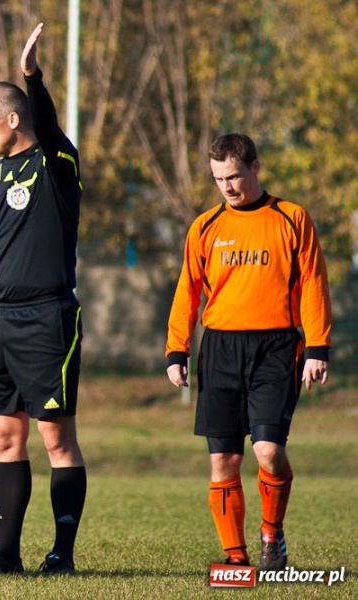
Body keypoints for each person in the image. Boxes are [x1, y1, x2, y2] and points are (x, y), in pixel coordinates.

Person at [165, 133, 332, 569]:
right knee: (224, 458)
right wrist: (176, 350)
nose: (228, 186)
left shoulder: (292, 218)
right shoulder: (205, 226)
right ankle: (235, 559)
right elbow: (188, 290)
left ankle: (272, 534)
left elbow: (314, 283)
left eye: (235, 175)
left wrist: (318, 347)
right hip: (219, 348)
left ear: (256, 168)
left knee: (267, 452)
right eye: (219, 178)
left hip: (276, 346)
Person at [0, 22, 86, 576]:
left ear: (13, 119)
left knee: (55, 438)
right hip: (0, 319)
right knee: (3, 435)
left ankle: (61, 553)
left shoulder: (54, 163)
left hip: (47, 318)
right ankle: (5, 555)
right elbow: (4, 252)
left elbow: (50, 124)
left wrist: (31, 74)